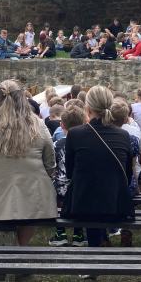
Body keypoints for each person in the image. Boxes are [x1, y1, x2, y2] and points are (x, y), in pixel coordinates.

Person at [0, 80, 57, 246]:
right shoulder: (38, 125)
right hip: (32, 194)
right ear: (22, 98)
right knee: (30, 215)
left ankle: (15, 251)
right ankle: (19, 250)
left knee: (6, 215)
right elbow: (50, 162)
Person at [61, 87, 135, 249]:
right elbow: (128, 174)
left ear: (88, 108)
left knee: (92, 204)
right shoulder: (123, 135)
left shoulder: (74, 134)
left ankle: (95, 248)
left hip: (83, 205)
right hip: (116, 204)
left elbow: (71, 172)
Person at [49, 105, 89, 247]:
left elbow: (52, 170)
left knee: (53, 187)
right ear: (84, 123)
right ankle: (78, 233)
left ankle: (60, 232)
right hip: (81, 189)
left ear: (62, 125)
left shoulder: (56, 144)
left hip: (60, 191)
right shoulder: (87, 144)